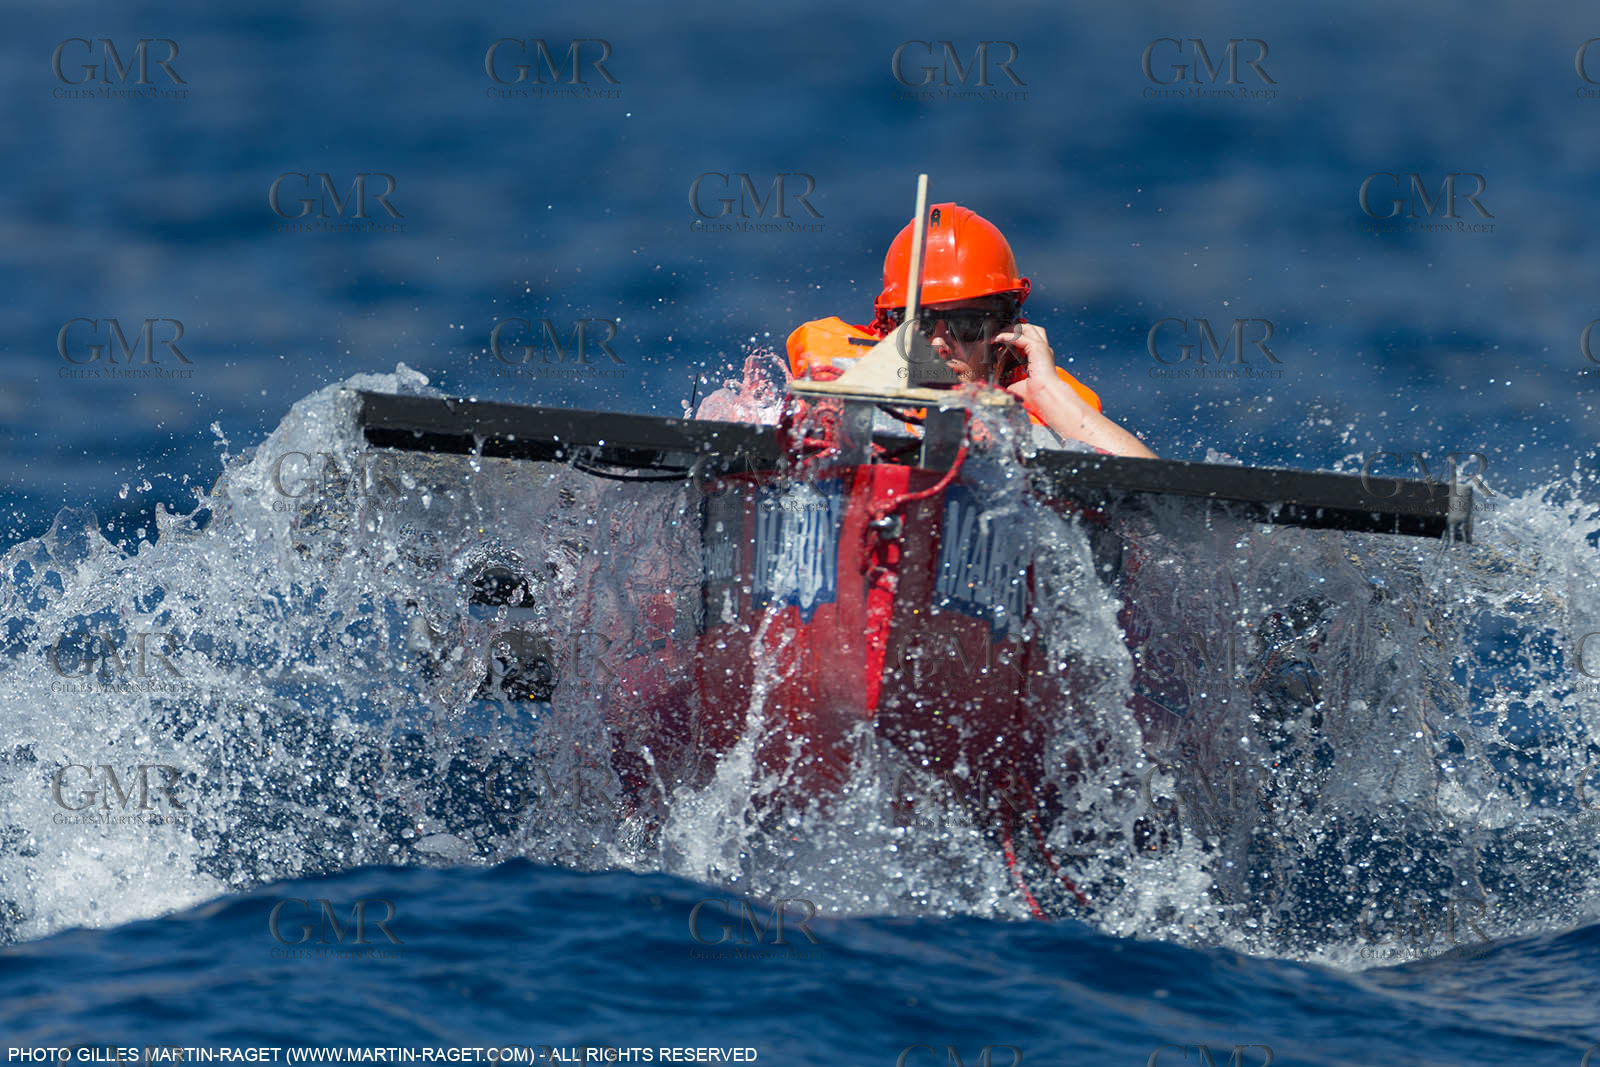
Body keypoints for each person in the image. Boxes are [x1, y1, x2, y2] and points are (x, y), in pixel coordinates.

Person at [786, 203, 1157, 458]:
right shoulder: (834, 392)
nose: (938, 343)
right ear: (888, 330)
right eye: (920, 325)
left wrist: (1051, 394)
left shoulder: (1039, 431)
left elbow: (1156, 498)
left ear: (1003, 337)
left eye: (965, 325)